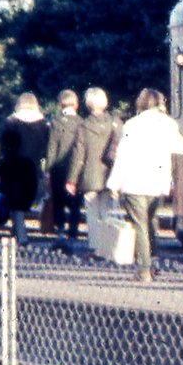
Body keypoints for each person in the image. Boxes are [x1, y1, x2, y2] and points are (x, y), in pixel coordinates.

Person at [105, 88, 183, 281]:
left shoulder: (132, 125)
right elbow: (182, 148)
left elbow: (122, 156)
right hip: (157, 181)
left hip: (134, 181)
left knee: (140, 225)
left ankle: (143, 269)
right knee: (150, 222)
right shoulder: (168, 124)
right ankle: (153, 263)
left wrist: (114, 184)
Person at [0, 92, 51, 247]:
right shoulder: (43, 124)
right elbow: (47, 150)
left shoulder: (11, 122)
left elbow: (3, 149)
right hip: (32, 169)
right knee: (20, 203)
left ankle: (21, 236)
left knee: (15, 203)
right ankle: (18, 234)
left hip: (12, 168)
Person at [69, 86, 121, 247]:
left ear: (88, 104)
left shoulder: (83, 126)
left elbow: (78, 155)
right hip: (110, 174)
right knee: (106, 211)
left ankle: (94, 245)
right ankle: (107, 246)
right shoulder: (116, 123)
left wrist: (72, 179)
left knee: (92, 213)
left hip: (89, 175)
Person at [43, 88, 85, 245]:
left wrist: (47, 170)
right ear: (76, 104)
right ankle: (73, 231)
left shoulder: (55, 122)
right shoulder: (82, 123)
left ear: (61, 104)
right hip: (76, 168)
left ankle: (60, 228)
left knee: (58, 200)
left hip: (58, 168)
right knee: (75, 203)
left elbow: (52, 148)